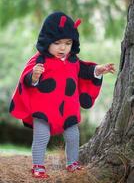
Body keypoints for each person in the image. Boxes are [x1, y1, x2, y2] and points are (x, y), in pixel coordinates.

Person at [9, 12, 115, 179]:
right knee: (41, 137)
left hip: (68, 109)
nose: (63, 48)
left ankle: (72, 162)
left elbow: (85, 70)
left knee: (73, 136)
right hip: (44, 109)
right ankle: (38, 166)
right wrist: (34, 76)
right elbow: (27, 79)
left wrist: (98, 69)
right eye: (57, 43)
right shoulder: (41, 60)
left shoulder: (73, 60)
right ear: (46, 42)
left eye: (67, 43)